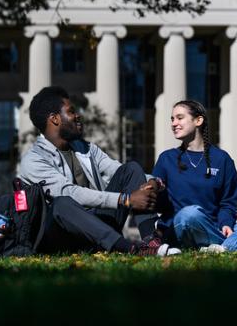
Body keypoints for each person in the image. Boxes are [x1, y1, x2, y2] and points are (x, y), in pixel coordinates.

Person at [18, 86, 178, 256]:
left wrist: (153, 181)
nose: (78, 115)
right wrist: (125, 200)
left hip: (98, 228)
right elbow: (70, 193)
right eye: (71, 111)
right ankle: (129, 248)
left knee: (130, 169)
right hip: (61, 237)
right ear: (55, 119)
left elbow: (117, 171)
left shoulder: (85, 148)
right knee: (62, 203)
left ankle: (151, 242)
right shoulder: (33, 160)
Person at [151, 100, 237, 252]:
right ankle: (230, 246)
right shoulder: (166, 159)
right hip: (180, 229)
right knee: (189, 214)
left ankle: (220, 247)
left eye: (179, 118)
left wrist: (225, 224)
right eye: (172, 119)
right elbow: (156, 202)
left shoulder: (221, 159)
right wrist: (155, 190)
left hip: (214, 229)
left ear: (198, 120)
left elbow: (228, 202)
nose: (174, 123)